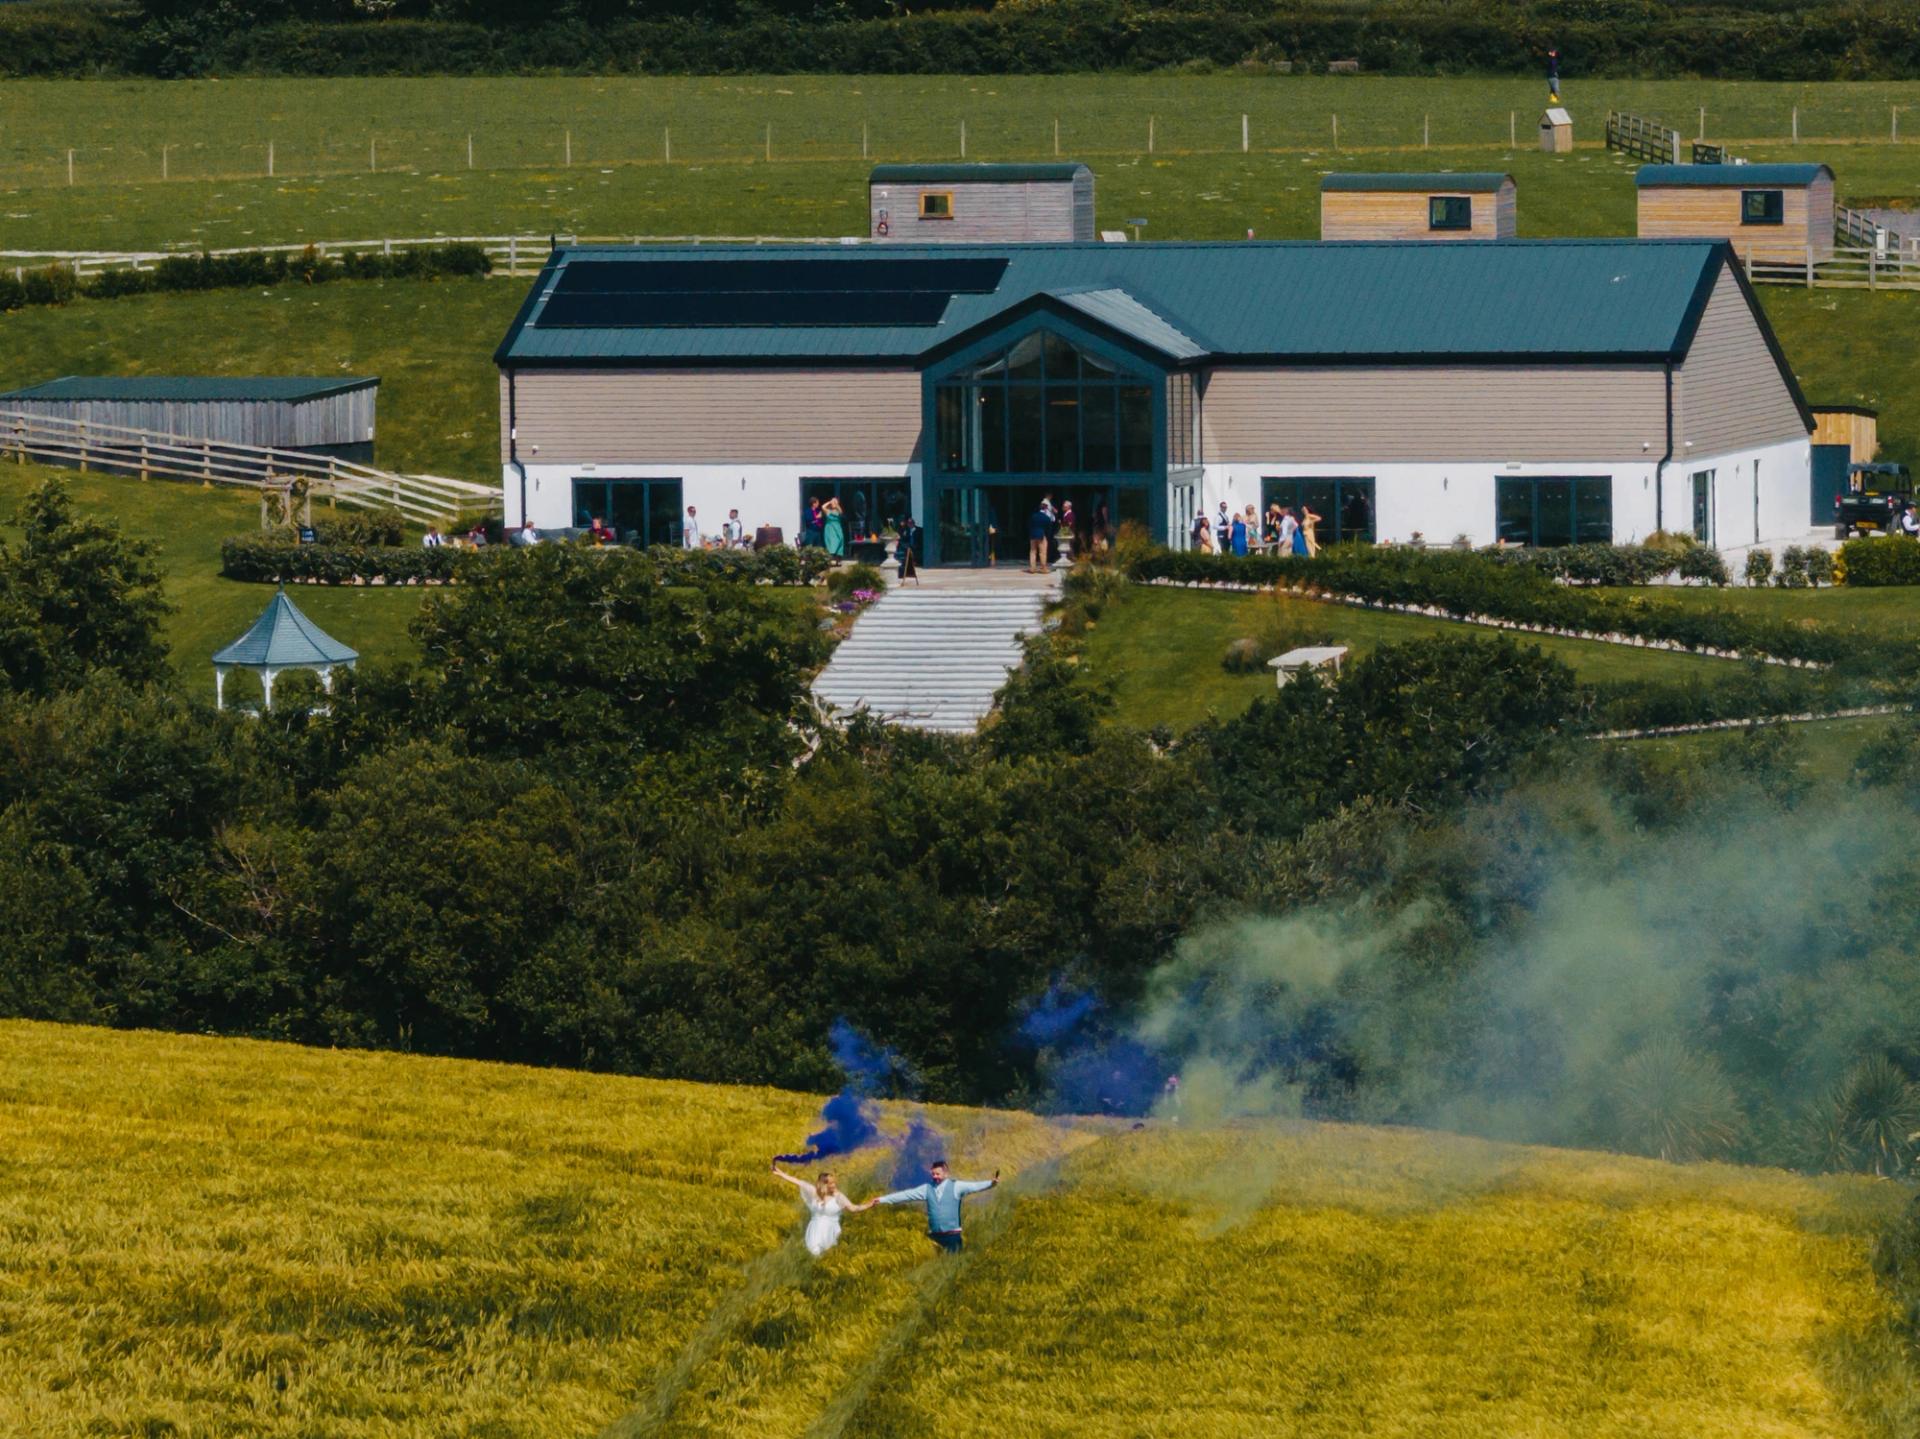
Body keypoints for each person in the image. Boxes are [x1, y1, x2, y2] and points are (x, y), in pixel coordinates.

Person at [871, 1159, 999, 1254]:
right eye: (933, 1174)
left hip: (952, 1237)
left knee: (952, 1268)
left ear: (946, 1174)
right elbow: (906, 1195)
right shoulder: (927, 1188)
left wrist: (991, 1183)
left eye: (938, 1174)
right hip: (934, 1237)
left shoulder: (956, 1186)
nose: (935, 1177)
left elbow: (974, 1186)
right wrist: (883, 1199)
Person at [771, 1161, 866, 1258]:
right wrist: (781, 1173)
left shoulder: (838, 1196)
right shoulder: (814, 1192)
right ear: (824, 1184)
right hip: (814, 1231)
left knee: (828, 1256)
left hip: (830, 1231)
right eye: (831, 1183)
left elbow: (853, 1208)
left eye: (834, 1182)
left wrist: (869, 1204)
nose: (834, 1185)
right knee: (815, 1254)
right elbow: (797, 1181)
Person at [1027, 499, 1052, 574]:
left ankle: (1032, 568)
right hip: (1041, 535)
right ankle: (1043, 568)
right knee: (1042, 552)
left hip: (1033, 535)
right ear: (1045, 508)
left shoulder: (1033, 516)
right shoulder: (1046, 518)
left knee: (1032, 551)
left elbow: (1029, 525)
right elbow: (1048, 528)